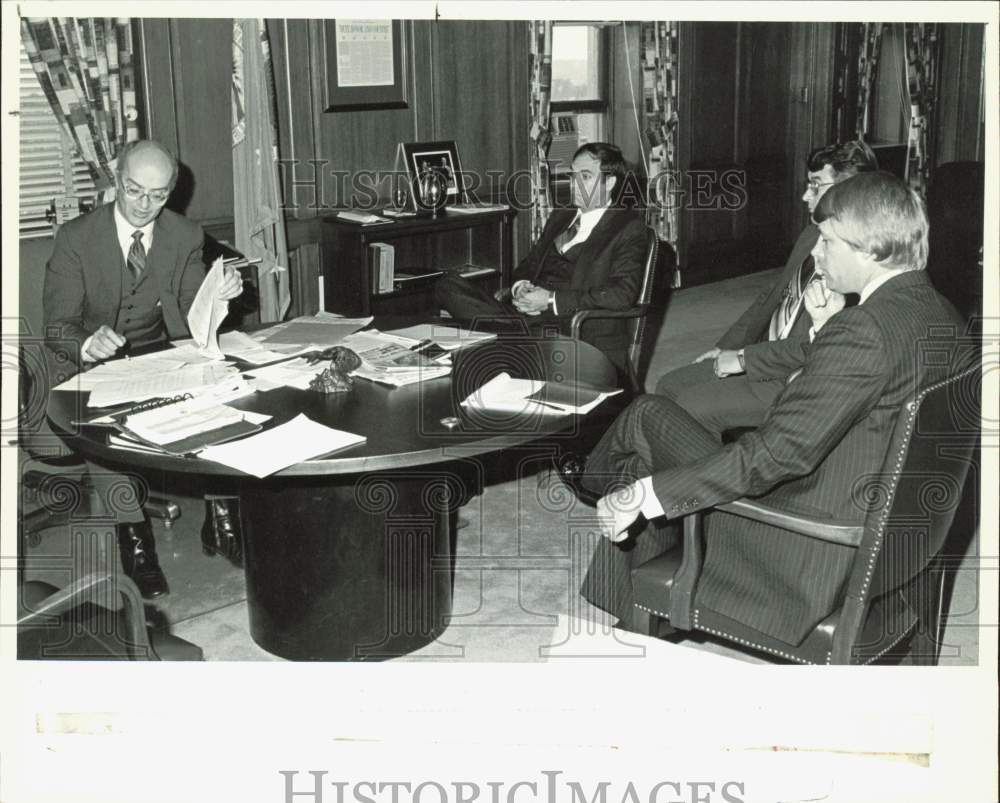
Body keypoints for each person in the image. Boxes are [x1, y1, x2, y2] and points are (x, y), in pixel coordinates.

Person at [575, 171, 965, 646]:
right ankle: (631, 603)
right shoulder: (943, 314)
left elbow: (779, 454)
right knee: (649, 452)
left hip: (808, 546)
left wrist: (645, 496)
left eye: (827, 241)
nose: (816, 254)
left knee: (646, 420)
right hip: (899, 538)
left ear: (871, 248)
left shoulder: (864, 331)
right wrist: (824, 331)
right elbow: (846, 409)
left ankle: (599, 493)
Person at [43, 139, 244, 598]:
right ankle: (135, 540)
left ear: (170, 193)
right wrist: (87, 343)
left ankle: (221, 517)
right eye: (134, 191)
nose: (143, 205)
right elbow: (57, 324)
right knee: (106, 430)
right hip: (94, 360)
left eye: (157, 196)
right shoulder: (76, 238)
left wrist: (221, 292)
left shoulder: (184, 235)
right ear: (118, 181)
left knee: (223, 397)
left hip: (160, 350)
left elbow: (196, 311)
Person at [653, 140, 878, 439]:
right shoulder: (812, 234)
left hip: (790, 376)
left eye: (815, 185)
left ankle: (706, 478)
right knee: (668, 385)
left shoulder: (859, 264)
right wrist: (727, 346)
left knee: (692, 406)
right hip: (762, 352)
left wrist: (744, 360)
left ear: (849, 189)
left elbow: (818, 352)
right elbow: (771, 297)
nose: (804, 196)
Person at [434, 142, 647, 373]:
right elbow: (528, 265)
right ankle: (505, 343)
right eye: (572, 175)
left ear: (610, 182)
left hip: (568, 325)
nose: (574, 184)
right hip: (525, 316)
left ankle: (502, 344)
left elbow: (622, 294)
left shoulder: (627, 227)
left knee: (470, 335)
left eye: (585, 176)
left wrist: (549, 300)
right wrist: (520, 287)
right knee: (446, 285)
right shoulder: (561, 216)